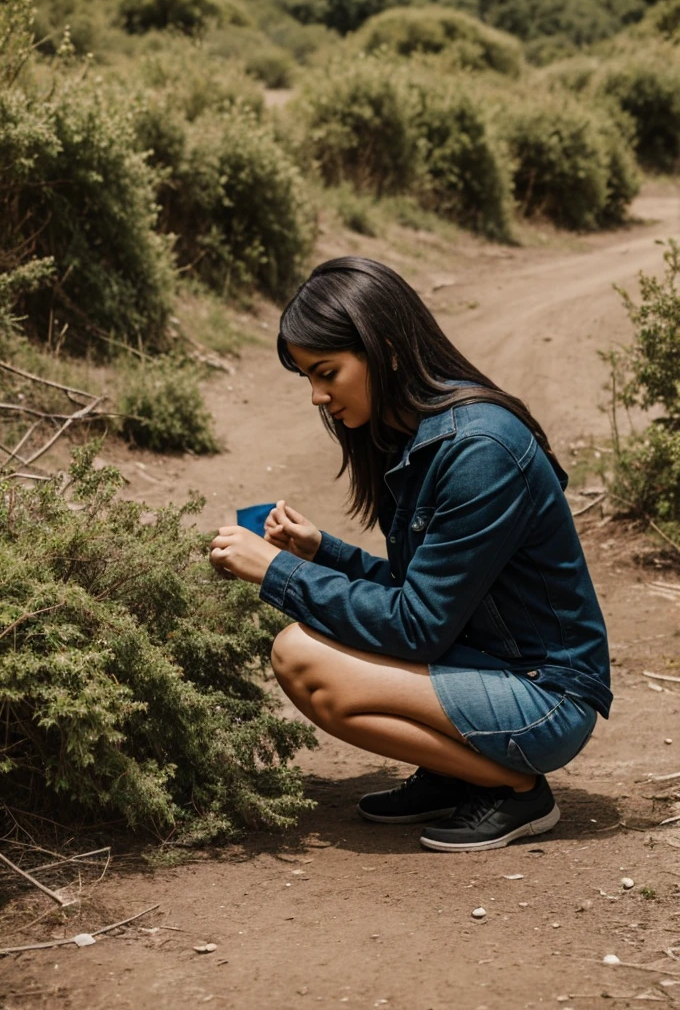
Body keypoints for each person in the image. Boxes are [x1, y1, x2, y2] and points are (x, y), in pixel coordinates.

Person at [210, 256, 612, 852]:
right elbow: (423, 594)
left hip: (543, 700)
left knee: (301, 656)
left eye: (327, 372)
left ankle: (514, 788)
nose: (318, 397)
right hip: (491, 666)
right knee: (315, 643)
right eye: (306, 379)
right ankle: (456, 772)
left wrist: (278, 571)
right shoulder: (418, 435)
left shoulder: (479, 449)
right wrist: (324, 553)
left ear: (388, 347)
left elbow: (417, 627)